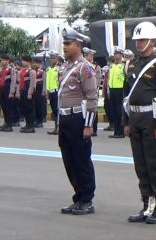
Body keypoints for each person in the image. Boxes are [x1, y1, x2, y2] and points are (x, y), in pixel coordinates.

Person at [123, 21, 156, 224]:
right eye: (136, 40)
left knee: (155, 164)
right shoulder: (132, 63)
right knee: (140, 164)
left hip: (152, 119)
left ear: (152, 41)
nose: (138, 43)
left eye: (142, 39)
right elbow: (127, 96)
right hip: (135, 118)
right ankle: (146, 204)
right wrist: (125, 121)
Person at [58, 27, 98, 215]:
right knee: (69, 160)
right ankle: (78, 197)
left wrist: (89, 124)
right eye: (64, 43)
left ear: (79, 45)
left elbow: (92, 98)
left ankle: (87, 199)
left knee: (82, 160)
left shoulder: (85, 68)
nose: (64, 47)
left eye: (68, 44)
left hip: (78, 119)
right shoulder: (64, 67)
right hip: (65, 118)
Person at [83, 47, 101, 136]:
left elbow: (97, 80)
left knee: (93, 109)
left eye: (87, 55)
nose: (86, 57)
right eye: (85, 55)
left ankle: (94, 129)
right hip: (84, 92)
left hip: (93, 91)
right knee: (84, 110)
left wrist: (93, 89)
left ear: (92, 55)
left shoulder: (96, 66)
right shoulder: (82, 65)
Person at [108, 46, 125, 138]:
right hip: (112, 90)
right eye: (114, 53)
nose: (115, 55)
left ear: (121, 55)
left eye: (117, 53)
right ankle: (116, 131)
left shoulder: (124, 66)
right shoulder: (112, 66)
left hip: (120, 90)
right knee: (114, 111)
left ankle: (121, 132)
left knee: (119, 111)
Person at [0, 54, 16, 132]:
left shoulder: (11, 69)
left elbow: (13, 81)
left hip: (8, 90)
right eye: (1, 60)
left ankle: (9, 125)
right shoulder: (1, 69)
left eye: (4, 60)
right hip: (2, 90)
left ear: (8, 61)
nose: (2, 62)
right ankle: (6, 122)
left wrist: (12, 92)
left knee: (9, 108)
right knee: (4, 107)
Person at [18, 56, 36, 133]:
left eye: (24, 61)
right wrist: (19, 92)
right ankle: (27, 124)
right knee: (24, 109)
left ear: (28, 62)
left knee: (29, 110)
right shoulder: (22, 70)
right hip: (22, 91)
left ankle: (31, 126)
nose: (23, 62)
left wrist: (30, 93)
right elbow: (20, 82)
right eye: (22, 61)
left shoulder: (31, 71)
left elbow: (32, 83)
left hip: (28, 92)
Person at [46, 51, 61, 135]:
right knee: (54, 111)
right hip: (50, 92)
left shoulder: (59, 68)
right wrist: (47, 92)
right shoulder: (48, 69)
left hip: (57, 92)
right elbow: (48, 82)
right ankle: (56, 128)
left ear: (57, 59)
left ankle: (58, 128)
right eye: (51, 58)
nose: (52, 59)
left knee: (57, 111)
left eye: (54, 58)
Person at [32, 57, 46, 128]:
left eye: (35, 63)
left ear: (39, 64)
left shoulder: (42, 72)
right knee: (34, 106)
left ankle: (40, 121)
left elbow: (44, 82)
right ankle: (35, 120)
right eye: (33, 63)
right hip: (34, 90)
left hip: (40, 90)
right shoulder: (33, 71)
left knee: (39, 106)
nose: (34, 64)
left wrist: (44, 91)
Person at [102, 56, 115, 131]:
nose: (108, 63)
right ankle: (111, 124)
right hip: (106, 92)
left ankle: (114, 124)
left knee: (112, 109)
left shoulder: (113, 69)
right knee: (106, 108)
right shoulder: (107, 70)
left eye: (109, 62)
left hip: (112, 91)